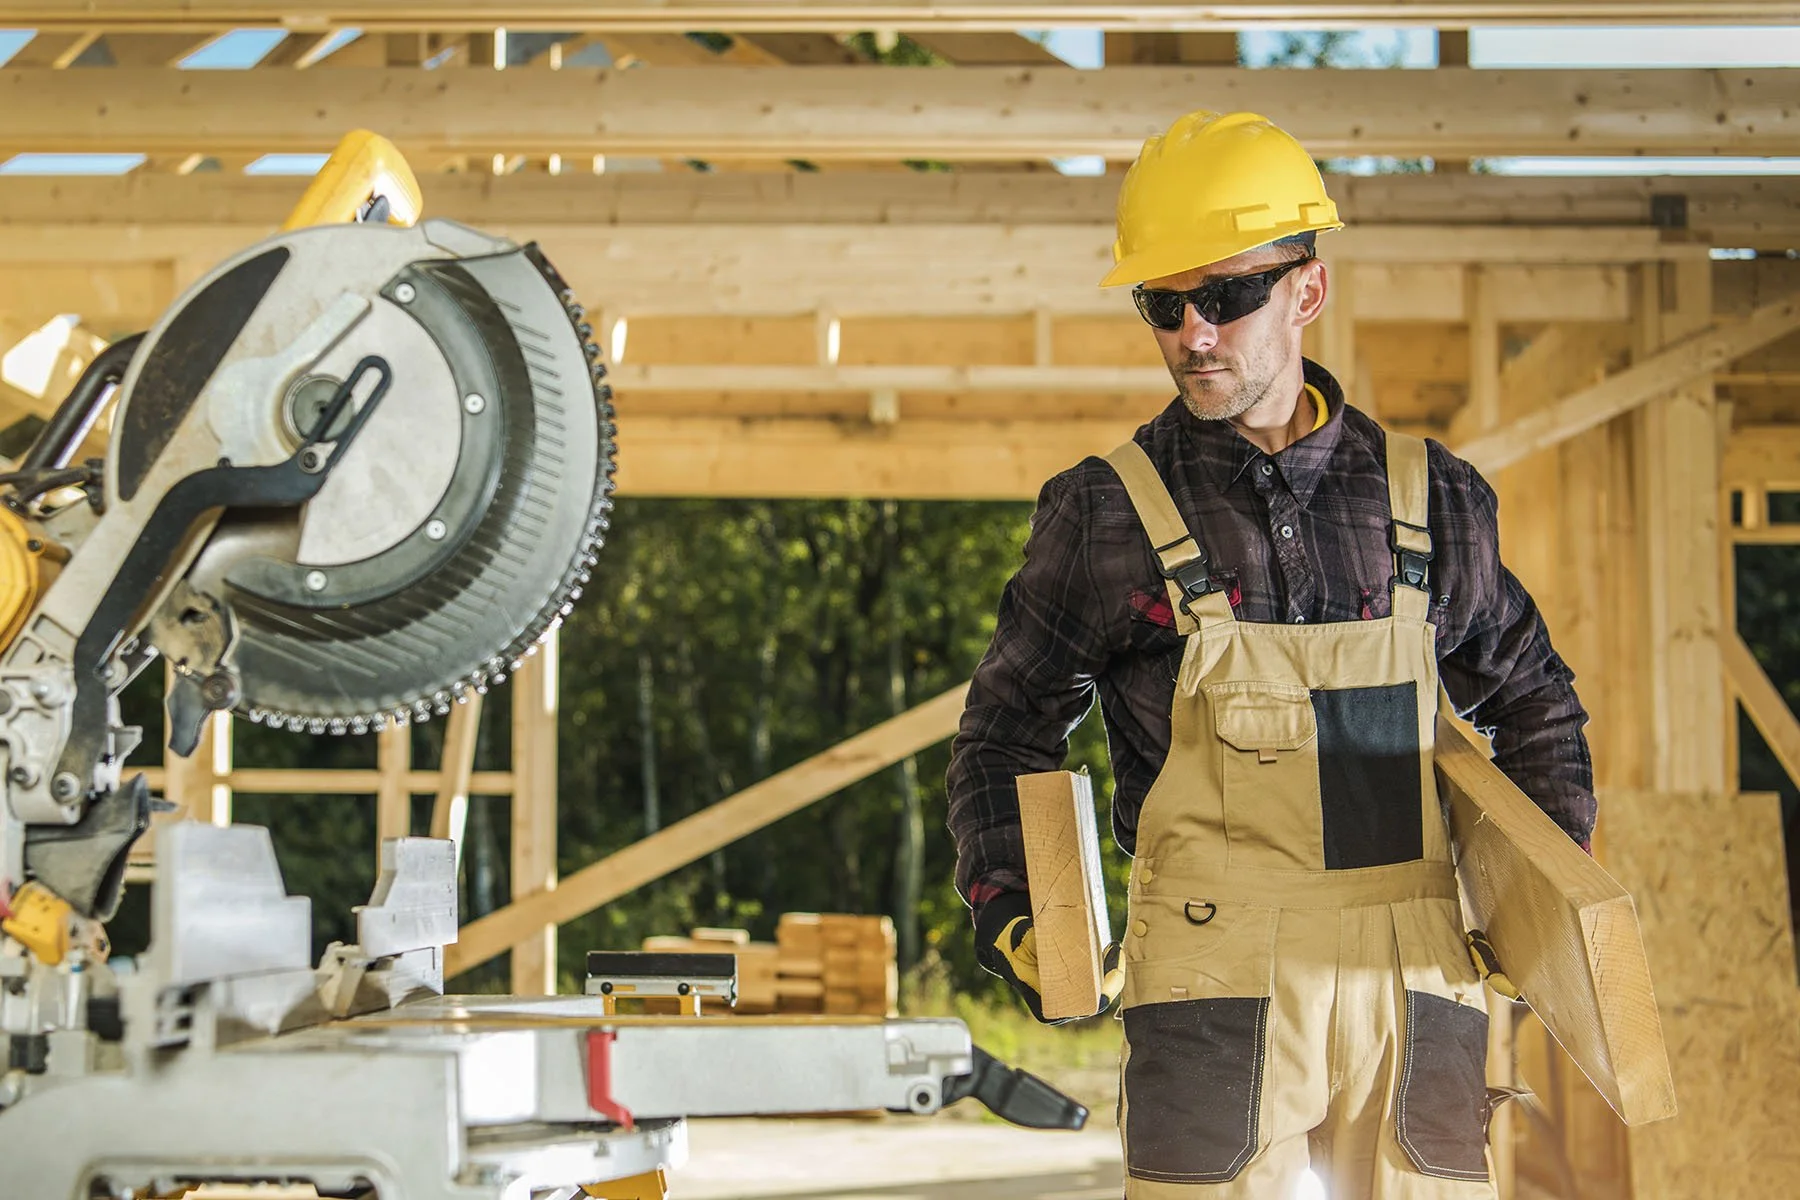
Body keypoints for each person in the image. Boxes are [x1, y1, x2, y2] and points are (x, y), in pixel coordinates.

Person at [945, 110, 1596, 1199]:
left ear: (1308, 290)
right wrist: (1017, 907)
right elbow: (1006, 729)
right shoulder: (1106, 513)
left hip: (1415, 981)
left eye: (1227, 295)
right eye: (1164, 305)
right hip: (1210, 984)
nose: (1193, 333)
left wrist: (1540, 909)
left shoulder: (1432, 501)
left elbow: (1535, 701)